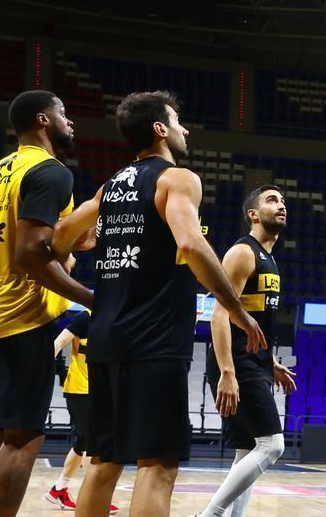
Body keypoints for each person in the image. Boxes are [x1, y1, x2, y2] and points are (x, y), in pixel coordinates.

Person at [51, 90, 266, 517]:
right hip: (155, 341)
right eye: (177, 120)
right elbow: (191, 244)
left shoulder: (109, 187)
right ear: (159, 129)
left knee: (103, 461)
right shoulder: (176, 178)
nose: (184, 129)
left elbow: (58, 241)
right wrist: (238, 311)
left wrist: (96, 259)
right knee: (158, 466)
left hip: (107, 338)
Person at [0, 90, 96, 517]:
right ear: (43, 120)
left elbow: (31, 241)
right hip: (18, 315)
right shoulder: (50, 171)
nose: (71, 121)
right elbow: (29, 253)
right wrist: (91, 299)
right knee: (22, 437)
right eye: (64, 112)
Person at [194, 185, 295, 517]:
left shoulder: (270, 259)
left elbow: (253, 320)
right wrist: (227, 372)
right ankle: (208, 515)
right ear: (253, 214)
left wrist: (272, 361)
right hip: (235, 363)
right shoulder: (243, 252)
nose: (280, 205)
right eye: (271, 200)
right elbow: (220, 315)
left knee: (247, 451)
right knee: (272, 445)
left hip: (255, 361)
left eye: (282, 201)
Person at [48, 309, 119, 514]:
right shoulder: (86, 317)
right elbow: (58, 343)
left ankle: (58, 489)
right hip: (80, 389)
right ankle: (94, 497)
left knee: (83, 442)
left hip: (99, 390)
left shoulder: (115, 318)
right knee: (92, 443)